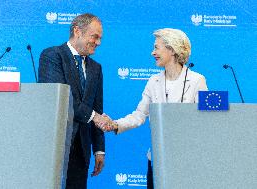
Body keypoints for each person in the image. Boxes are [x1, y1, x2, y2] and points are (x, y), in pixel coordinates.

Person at [104, 28, 208, 189]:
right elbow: (139, 115)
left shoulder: (197, 81)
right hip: (157, 159)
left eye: (156, 47)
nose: (153, 53)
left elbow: (206, 119)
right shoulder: (153, 81)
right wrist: (116, 124)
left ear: (172, 50)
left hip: (188, 161)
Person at [38, 13, 110, 189]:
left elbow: (97, 108)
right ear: (77, 31)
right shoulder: (52, 56)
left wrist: (99, 149)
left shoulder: (96, 68)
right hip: (55, 144)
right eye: (95, 36)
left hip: (81, 149)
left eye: (100, 38)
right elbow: (61, 100)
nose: (98, 42)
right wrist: (95, 117)